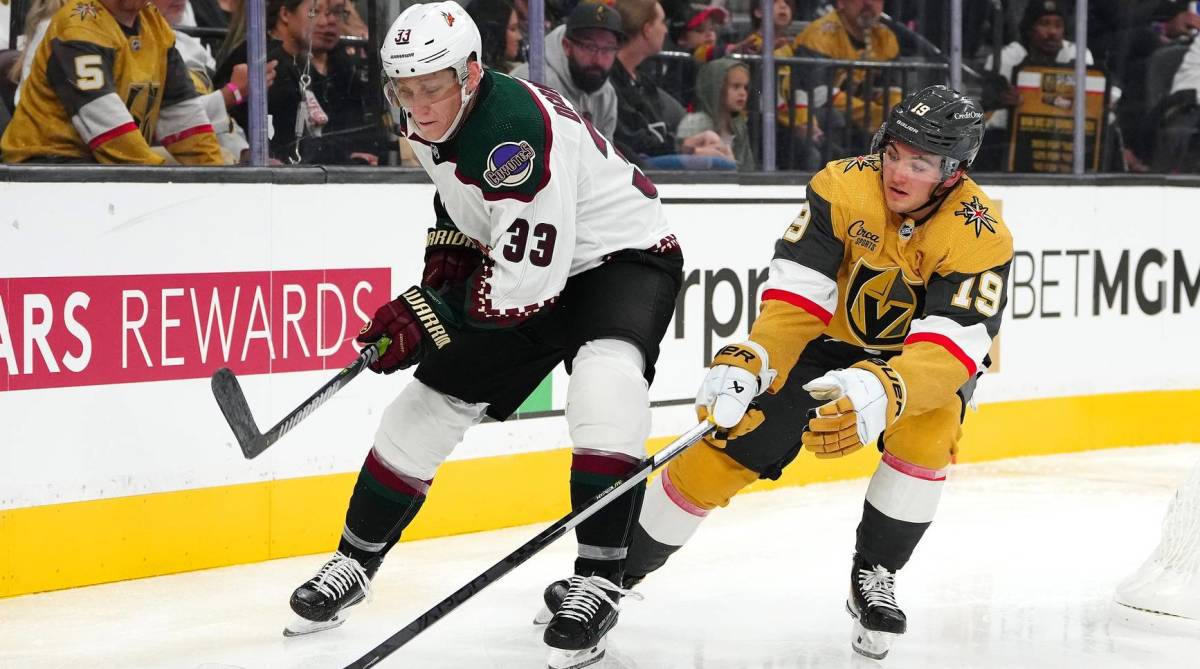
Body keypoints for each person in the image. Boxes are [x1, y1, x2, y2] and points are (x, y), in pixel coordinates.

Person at [543, 86, 1012, 661]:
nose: (898, 171)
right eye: (894, 152)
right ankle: (609, 580)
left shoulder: (980, 232)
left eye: (919, 163)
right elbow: (798, 297)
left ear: (952, 173)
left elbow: (950, 346)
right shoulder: (843, 186)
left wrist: (886, 387)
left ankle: (877, 572)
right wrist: (755, 358)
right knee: (727, 442)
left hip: (920, 364)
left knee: (928, 434)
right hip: (825, 342)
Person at [284, 4, 683, 669]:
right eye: (404, 90)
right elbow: (462, 202)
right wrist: (441, 269)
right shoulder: (432, 119)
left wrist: (426, 313)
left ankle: (599, 579)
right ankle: (353, 563)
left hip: (622, 258)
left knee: (604, 386)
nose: (418, 105)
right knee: (426, 403)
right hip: (536, 260)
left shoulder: (515, 134)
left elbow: (525, 285)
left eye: (432, 86)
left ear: (471, 72)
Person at [1, 0, 222, 163]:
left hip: (107, 170)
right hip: (47, 170)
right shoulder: (78, 25)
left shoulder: (153, 22)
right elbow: (112, 135)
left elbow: (184, 117)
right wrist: (160, 181)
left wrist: (217, 177)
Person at [611, 0, 723, 167]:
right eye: (662, 22)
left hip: (656, 156)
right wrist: (686, 149)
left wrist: (692, 142)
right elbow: (630, 140)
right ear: (647, 29)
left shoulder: (643, 81)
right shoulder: (609, 80)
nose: (665, 30)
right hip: (636, 166)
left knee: (720, 152)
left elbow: (661, 131)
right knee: (719, 163)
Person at [512, 0, 624, 141]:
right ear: (567, 46)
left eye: (607, 49)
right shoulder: (532, 81)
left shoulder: (606, 94)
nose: (598, 59)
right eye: (589, 47)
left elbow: (606, 156)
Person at [794, 0, 900, 138]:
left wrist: (896, 112)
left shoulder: (886, 38)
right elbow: (819, 94)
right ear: (841, 3)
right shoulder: (820, 35)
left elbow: (891, 89)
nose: (868, 3)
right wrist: (876, 115)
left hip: (862, 120)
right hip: (816, 116)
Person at [675, 57, 751, 169]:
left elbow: (748, 167)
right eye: (736, 86)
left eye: (745, 87)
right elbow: (685, 165)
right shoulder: (694, 123)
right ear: (717, 88)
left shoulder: (739, 125)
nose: (743, 93)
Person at [466, 0, 522, 72]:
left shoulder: (519, 71)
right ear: (495, 33)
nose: (519, 37)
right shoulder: (474, 78)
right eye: (513, 29)